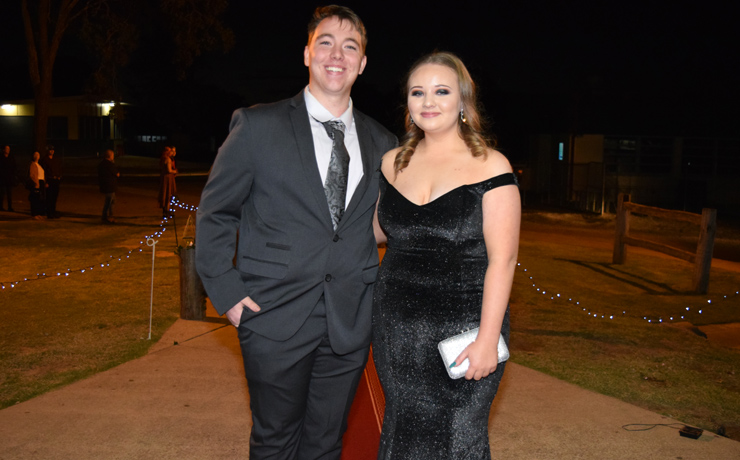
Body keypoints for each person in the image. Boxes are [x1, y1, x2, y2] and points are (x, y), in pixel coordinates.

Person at [195, 5, 396, 459]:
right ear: (307, 54)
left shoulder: (384, 144)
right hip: (272, 314)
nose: (337, 55)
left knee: (326, 443)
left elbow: (375, 225)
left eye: (350, 47)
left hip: (349, 319)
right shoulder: (257, 126)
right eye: (325, 43)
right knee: (275, 442)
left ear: (362, 63)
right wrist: (226, 291)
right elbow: (216, 212)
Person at [371, 51, 521, 459]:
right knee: (401, 429)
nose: (428, 102)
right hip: (395, 328)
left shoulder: (491, 166)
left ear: (463, 101)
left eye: (441, 91)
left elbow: (503, 260)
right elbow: (378, 232)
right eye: (417, 92)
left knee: (458, 436)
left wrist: (488, 338)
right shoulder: (391, 163)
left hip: (465, 329)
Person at [39, 145, 62, 218]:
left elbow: (59, 168)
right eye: (50, 150)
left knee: (55, 197)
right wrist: (45, 182)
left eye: (53, 150)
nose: (52, 151)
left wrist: (59, 176)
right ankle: (49, 212)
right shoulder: (44, 160)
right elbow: (43, 171)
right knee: (49, 197)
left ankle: (53, 211)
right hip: (49, 180)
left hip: (56, 180)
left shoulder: (56, 159)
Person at [98, 149, 119, 224]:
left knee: (111, 201)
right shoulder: (110, 165)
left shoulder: (101, 164)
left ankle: (110, 215)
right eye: (112, 155)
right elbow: (116, 174)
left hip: (104, 185)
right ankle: (106, 217)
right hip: (110, 186)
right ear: (110, 156)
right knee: (109, 202)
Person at [158, 146, 177, 217]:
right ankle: (166, 211)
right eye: (170, 151)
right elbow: (169, 170)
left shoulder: (163, 159)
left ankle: (165, 210)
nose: (171, 152)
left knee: (165, 193)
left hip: (164, 177)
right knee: (168, 193)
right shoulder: (168, 159)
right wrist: (175, 171)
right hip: (167, 178)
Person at [28, 151, 46, 220]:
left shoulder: (39, 165)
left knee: (39, 199)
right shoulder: (33, 164)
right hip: (37, 183)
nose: (37, 156)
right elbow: (32, 175)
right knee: (35, 199)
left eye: (38, 154)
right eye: (35, 154)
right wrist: (36, 183)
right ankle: (34, 214)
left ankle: (38, 213)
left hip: (41, 182)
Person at [0, 145, 16, 211]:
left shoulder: (11, 158)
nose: (8, 150)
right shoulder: (1, 157)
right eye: (6, 149)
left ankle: (10, 207)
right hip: (2, 178)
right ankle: (1, 206)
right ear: (4, 150)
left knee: (9, 194)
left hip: (9, 178)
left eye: (8, 149)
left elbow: (14, 167)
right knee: (2, 194)